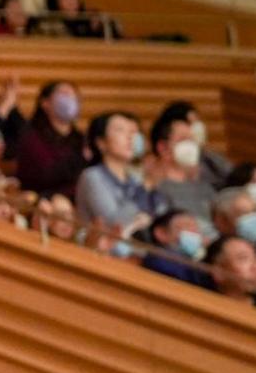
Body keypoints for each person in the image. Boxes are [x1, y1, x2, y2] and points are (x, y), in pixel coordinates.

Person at [75, 112, 164, 248]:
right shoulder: (92, 177)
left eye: (132, 132)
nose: (130, 137)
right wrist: (146, 186)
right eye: (120, 130)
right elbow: (113, 224)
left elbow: (157, 217)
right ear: (101, 142)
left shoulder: (135, 180)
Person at [12, 82, 89, 201]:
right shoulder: (32, 137)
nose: (71, 99)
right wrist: (80, 159)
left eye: (75, 96)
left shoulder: (82, 139)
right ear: (45, 103)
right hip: (41, 200)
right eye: (64, 94)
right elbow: (45, 176)